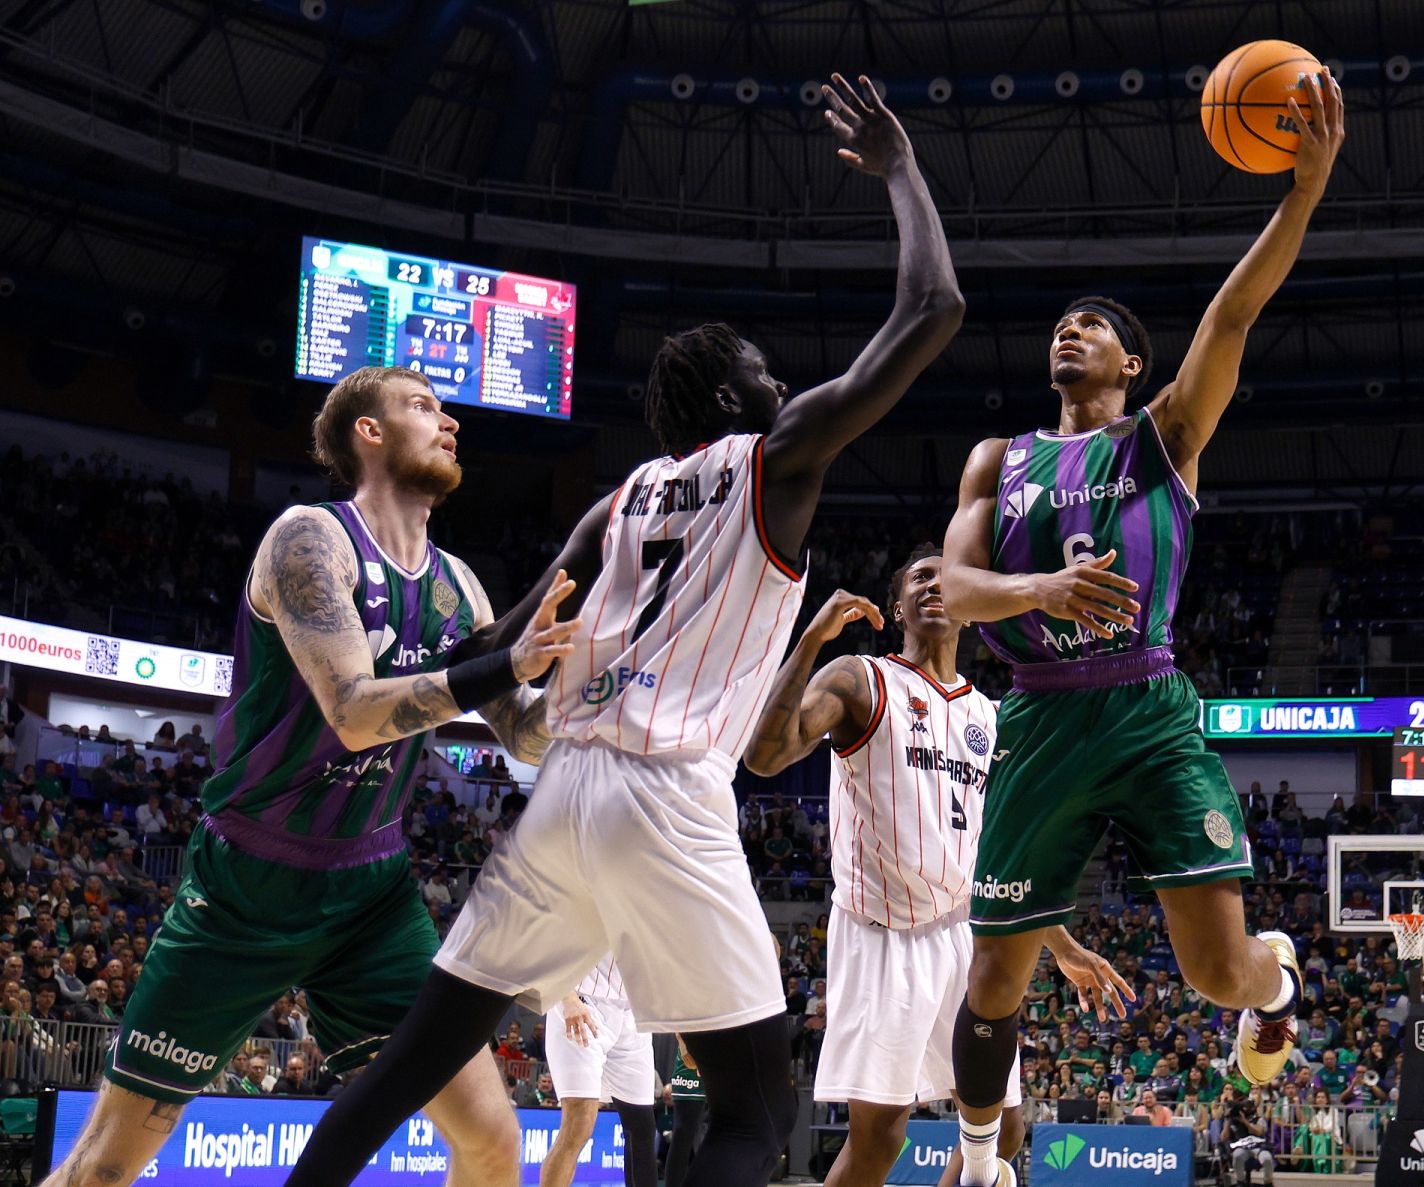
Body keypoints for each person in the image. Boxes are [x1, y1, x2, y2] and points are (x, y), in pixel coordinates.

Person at [285, 73, 965, 1187]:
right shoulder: (774, 457)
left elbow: (497, 656)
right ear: (728, 396)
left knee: (410, 1060)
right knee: (754, 1102)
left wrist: (400, 698)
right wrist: (899, 171)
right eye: (761, 368)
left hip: (560, 796)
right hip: (668, 792)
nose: (780, 374)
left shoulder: (618, 501)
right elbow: (934, 310)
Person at [935, 68, 1345, 1187]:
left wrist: (1300, 198)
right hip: (1042, 714)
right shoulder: (997, 459)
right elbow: (949, 592)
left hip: (1149, 704)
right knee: (993, 982)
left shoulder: (1165, 435)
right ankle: (980, 1162)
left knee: (1218, 973)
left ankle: (1279, 984)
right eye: (1063, 324)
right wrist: (1040, 595)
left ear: (1131, 367)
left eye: (1096, 328)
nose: (1071, 330)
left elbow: (1235, 313)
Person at [37, 365, 579, 1187]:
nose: (451, 423)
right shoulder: (309, 538)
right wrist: (505, 662)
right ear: (369, 431)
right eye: (423, 406)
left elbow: (528, 737)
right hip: (247, 889)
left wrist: (593, 680)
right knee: (105, 1168)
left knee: (494, 1141)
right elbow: (355, 712)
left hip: (372, 898)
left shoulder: (460, 586)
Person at [741, 552, 1131, 1187]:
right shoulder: (860, 679)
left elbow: (991, 854)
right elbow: (764, 755)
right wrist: (811, 639)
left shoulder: (991, 716)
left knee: (1003, 1126)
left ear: (971, 607)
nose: (933, 585)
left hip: (962, 934)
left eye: (946, 576)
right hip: (881, 933)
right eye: (919, 578)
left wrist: (1058, 942)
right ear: (898, 609)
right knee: (880, 1139)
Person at [540, 955, 659, 1187]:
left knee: (642, 1126)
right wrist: (566, 996)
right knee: (579, 1123)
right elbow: (548, 934)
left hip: (633, 1010)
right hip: (581, 1001)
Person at [664, 1039, 707, 1187]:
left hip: (724, 1058)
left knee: (730, 1132)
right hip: (692, 1063)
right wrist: (685, 1051)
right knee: (683, 1136)